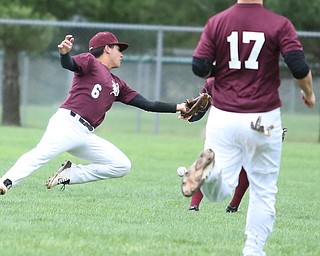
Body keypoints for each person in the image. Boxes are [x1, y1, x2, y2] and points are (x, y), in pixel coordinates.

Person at [181, 1, 316, 255]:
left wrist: (222, 69)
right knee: (264, 190)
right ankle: (253, 250)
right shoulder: (280, 24)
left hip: (224, 117)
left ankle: (209, 176)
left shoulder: (217, 22)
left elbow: (199, 66)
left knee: (220, 188)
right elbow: (299, 67)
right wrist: (308, 93)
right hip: (263, 119)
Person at [0, 31, 187, 195]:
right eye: (118, 49)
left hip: (85, 134)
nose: (121, 54)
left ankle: (70, 174)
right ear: (107, 48)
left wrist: (180, 106)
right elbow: (70, 64)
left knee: (122, 165)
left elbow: (148, 104)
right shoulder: (90, 62)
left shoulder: (117, 84)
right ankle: (5, 182)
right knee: (41, 154)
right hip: (67, 123)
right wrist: (64, 54)